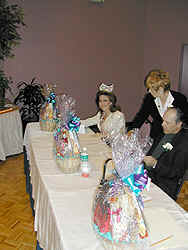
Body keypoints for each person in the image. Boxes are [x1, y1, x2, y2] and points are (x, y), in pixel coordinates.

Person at [127, 70, 188, 141]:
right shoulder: (149, 98)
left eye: (151, 89)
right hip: (156, 136)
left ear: (161, 89)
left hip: (175, 138)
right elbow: (141, 116)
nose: (149, 91)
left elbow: (185, 120)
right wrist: (132, 130)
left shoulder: (180, 99)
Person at [143, 107, 188, 200]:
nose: (162, 124)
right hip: (147, 177)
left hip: (163, 186)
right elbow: (151, 152)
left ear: (179, 124)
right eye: (163, 120)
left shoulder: (184, 143)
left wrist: (155, 164)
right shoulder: (164, 133)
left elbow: (176, 173)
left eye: (167, 122)